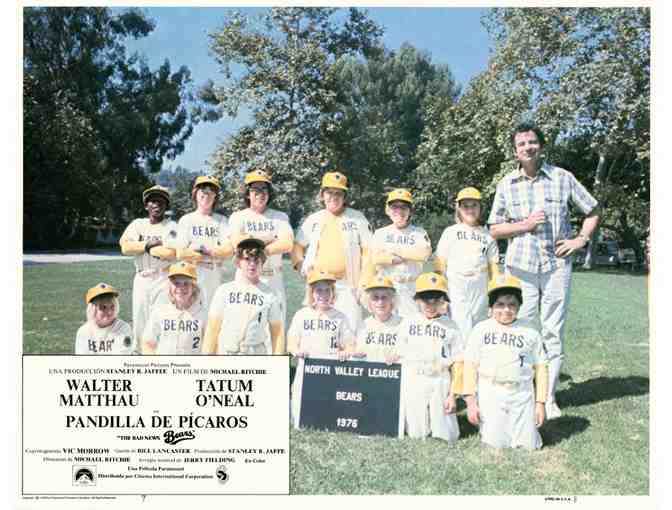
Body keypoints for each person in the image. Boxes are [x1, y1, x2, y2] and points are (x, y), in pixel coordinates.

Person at [488, 122, 599, 420]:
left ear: (541, 145)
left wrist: (580, 240)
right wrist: (524, 225)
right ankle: (519, 391)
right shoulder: (506, 183)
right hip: (520, 267)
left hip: (556, 267)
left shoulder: (563, 178)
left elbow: (593, 210)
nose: (528, 147)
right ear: (515, 150)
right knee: (520, 328)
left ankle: (548, 398)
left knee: (552, 331)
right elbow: (495, 228)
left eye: (532, 142)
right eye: (522, 143)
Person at [462, 274, 548, 450]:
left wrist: (540, 404)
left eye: (512, 305)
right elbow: (470, 366)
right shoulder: (481, 329)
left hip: (521, 392)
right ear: (491, 306)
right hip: (491, 390)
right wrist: (471, 402)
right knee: (495, 443)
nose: (506, 310)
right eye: (500, 304)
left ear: (519, 305)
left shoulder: (530, 331)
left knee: (528, 445)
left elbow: (541, 368)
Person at [291, 171, 372, 332]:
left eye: (338, 193)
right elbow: (297, 246)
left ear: (345, 196)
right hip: (318, 286)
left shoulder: (357, 218)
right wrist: (300, 265)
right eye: (329, 192)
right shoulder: (314, 219)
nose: (333, 197)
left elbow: (369, 252)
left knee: (350, 333)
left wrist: (364, 282)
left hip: (348, 287)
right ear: (322, 195)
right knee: (317, 333)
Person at [228, 169, 294, 348]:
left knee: (275, 327)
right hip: (245, 279)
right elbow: (237, 243)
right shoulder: (238, 217)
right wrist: (269, 239)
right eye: (255, 190)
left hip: (272, 278)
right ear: (247, 193)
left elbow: (287, 244)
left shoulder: (280, 217)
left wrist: (253, 241)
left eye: (264, 189)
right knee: (244, 327)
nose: (260, 194)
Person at [396, 273, 463, 442]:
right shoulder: (408, 323)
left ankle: (441, 425)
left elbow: (458, 362)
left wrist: (453, 395)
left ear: (443, 301)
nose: (430, 305)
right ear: (417, 300)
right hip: (415, 377)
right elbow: (398, 352)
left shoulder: (451, 326)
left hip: (440, 378)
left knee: (447, 434)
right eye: (426, 299)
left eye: (436, 300)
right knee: (415, 433)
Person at [287, 269, 356, 429]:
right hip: (306, 369)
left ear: (333, 293)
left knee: (329, 411)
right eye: (319, 290)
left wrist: (346, 352)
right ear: (311, 293)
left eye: (327, 290)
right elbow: (291, 342)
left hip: (331, 371)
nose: (323, 295)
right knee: (299, 415)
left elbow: (350, 344)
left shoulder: (340, 317)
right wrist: (296, 351)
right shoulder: (302, 315)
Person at [434, 187, 500, 341]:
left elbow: (494, 270)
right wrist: (440, 294)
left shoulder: (487, 235)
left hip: (480, 286)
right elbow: (440, 265)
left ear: (480, 208)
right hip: (456, 285)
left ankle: (475, 362)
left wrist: (494, 297)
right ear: (459, 209)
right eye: (466, 206)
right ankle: (459, 362)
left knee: (479, 325)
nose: (470, 209)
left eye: (474, 205)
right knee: (459, 324)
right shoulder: (451, 232)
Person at [202, 236, 285, 355]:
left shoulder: (270, 294)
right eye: (247, 259)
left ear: (262, 263)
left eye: (256, 261)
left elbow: (277, 333)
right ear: (238, 262)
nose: (252, 265)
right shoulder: (224, 291)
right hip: (226, 352)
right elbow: (212, 329)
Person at [119, 185, 177, 347]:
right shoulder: (138, 224)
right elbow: (125, 247)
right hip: (142, 277)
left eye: (161, 201)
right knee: (139, 319)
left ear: (166, 206)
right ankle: (140, 355)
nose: (156, 205)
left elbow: (172, 252)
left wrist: (144, 247)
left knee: (160, 319)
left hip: (163, 277)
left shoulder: (171, 226)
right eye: (152, 201)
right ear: (146, 205)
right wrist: (148, 245)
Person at [368, 189, 432, 318]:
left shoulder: (419, 233)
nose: (399, 211)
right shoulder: (381, 233)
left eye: (404, 207)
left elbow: (424, 254)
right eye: (394, 207)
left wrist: (395, 251)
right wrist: (391, 259)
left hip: (410, 287)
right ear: (388, 210)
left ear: (410, 211)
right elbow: (375, 257)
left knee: (410, 326)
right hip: (387, 288)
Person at [175, 175, 233, 310]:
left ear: (215, 197)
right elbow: (180, 252)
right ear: (195, 194)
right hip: (191, 274)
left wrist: (209, 251)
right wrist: (208, 254)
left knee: (212, 312)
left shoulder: (222, 220)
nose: (206, 195)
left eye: (211, 191)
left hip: (214, 273)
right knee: (191, 313)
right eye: (202, 190)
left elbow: (229, 249)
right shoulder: (186, 220)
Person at [141, 262, 206, 355]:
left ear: (194, 287)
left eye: (186, 283)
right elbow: (148, 342)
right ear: (170, 287)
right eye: (176, 283)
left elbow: (210, 347)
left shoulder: (203, 314)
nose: (181, 288)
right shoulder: (160, 312)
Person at [352, 275, 403, 363]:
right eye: (375, 298)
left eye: (384, 297)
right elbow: (356, 351)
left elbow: (409, 353)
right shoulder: (363, 325)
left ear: (392, 300)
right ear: (369, 302)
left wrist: (399, 356)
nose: (380, 302)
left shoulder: (403, 324)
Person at [75, 283, 133, 355]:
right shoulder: (83, 332)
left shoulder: (123, 328)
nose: (109, 312)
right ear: (93, 309)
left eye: (112, 307)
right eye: (103, 307)